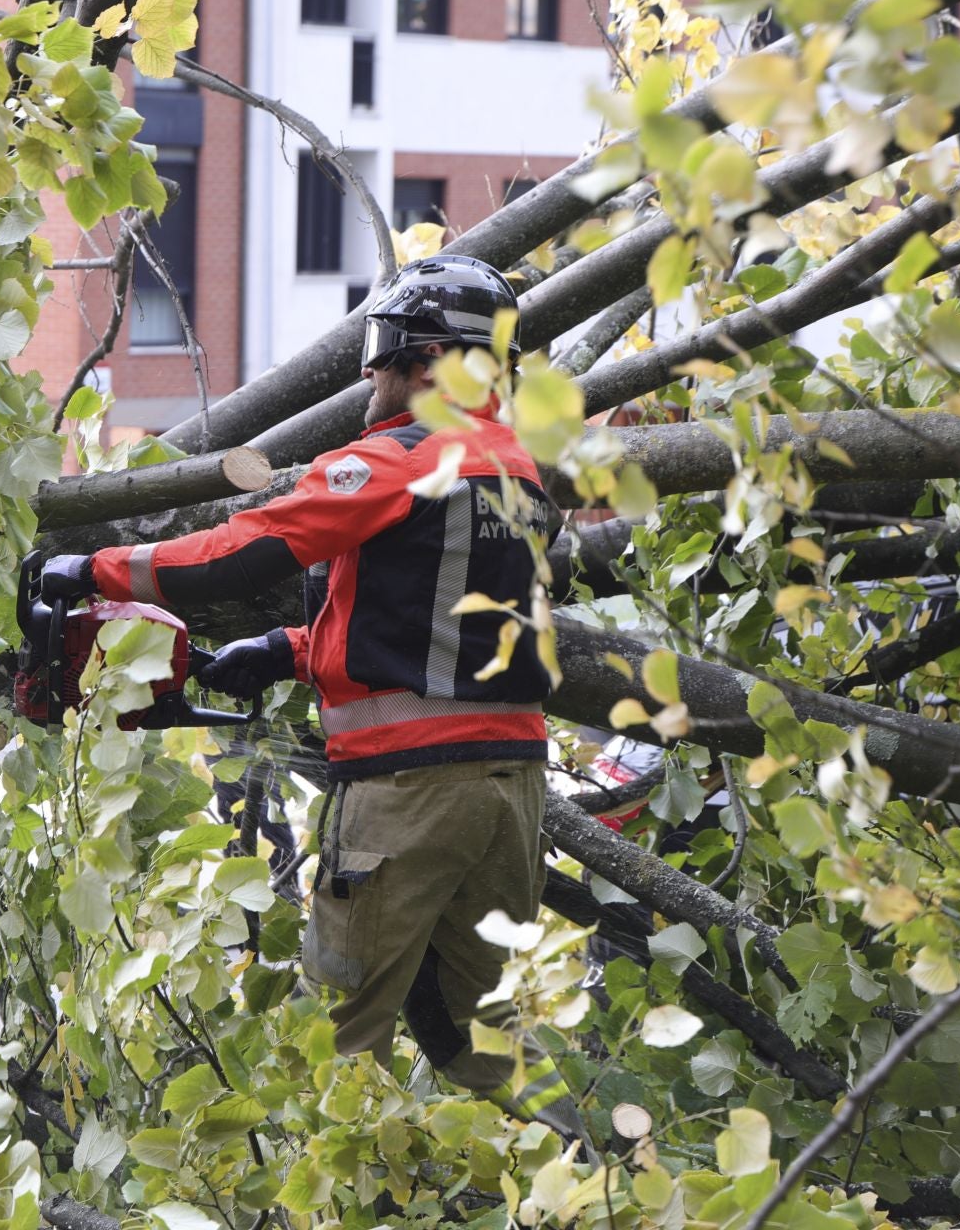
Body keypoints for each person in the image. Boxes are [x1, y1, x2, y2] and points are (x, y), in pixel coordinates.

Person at [33, 255, 590, 1143]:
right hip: (512, 793)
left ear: (435, 362)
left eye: (388, 353)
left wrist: (90, 567)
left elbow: (241, 553)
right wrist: (292, 651)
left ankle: (312, 1200)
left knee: (330, 1042)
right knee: (484, 1037)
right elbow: (442, 623)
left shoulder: (398, 458)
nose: (371, 372)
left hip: (410, 798)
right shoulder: (519, 472)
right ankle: (607, 1173)